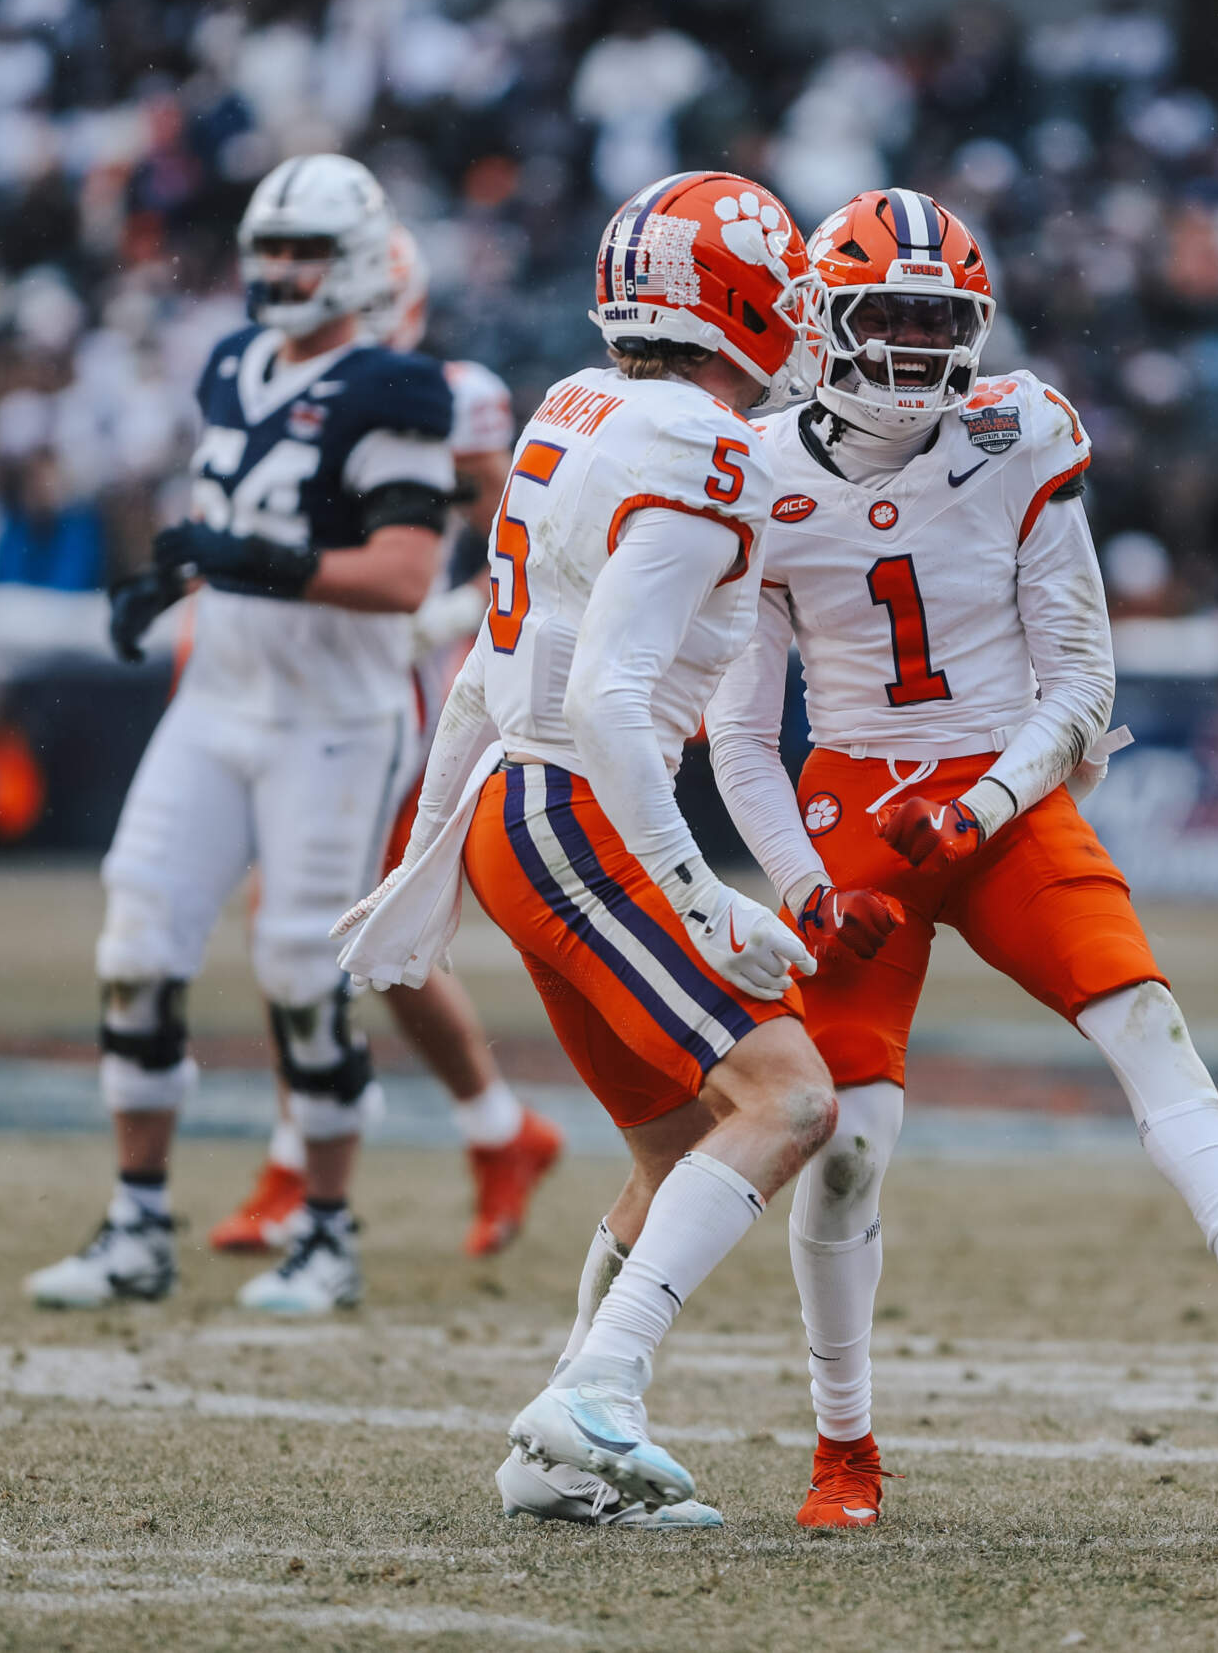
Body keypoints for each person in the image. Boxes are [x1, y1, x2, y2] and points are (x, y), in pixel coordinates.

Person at [702, 189, 1218, 1529]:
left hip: (1003, 785)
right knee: (846, 1142)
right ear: (825, 321)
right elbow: (739, 734)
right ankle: (843, 1444)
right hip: (852, 806)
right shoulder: (755, 470)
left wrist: (979, 807)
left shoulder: (1016, 431)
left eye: (940, 321)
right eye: (892, 316)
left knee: (1147, 1017)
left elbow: (1081, 679)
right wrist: (805, 886)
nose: (918, 347)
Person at [336, 170, 831, 1528]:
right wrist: (702, 894)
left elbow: (494, 673)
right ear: (732, 300)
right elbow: (607, 699)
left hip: (525, 805)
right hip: (582, 810)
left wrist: (433, 846)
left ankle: (553, 1457)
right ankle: (599, 1390)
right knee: (791, 1100)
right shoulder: (706, 446)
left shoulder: (577, 401)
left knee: (678, 1152)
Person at [22, 154, 458, 1315]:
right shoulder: (230, 363)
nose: (281, 270)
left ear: (358, 262)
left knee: (303, 973)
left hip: (334, 716)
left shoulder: (399, 388)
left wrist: (255, 563)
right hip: (217, 700)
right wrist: (171, 579)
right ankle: (136, 1223)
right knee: (135, 944)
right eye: (270, 248)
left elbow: (404, 575)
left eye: (305, 251)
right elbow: (228, 522)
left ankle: (327, 1234)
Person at [210, 224, 563, 1264]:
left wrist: (447, 614)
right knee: (345, 927)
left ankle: (304, 1166)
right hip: (318, 682)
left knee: (319, 918)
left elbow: (530, 549)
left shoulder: (449, 398)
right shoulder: (288, 389)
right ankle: (493, 1130)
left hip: (404, 693)